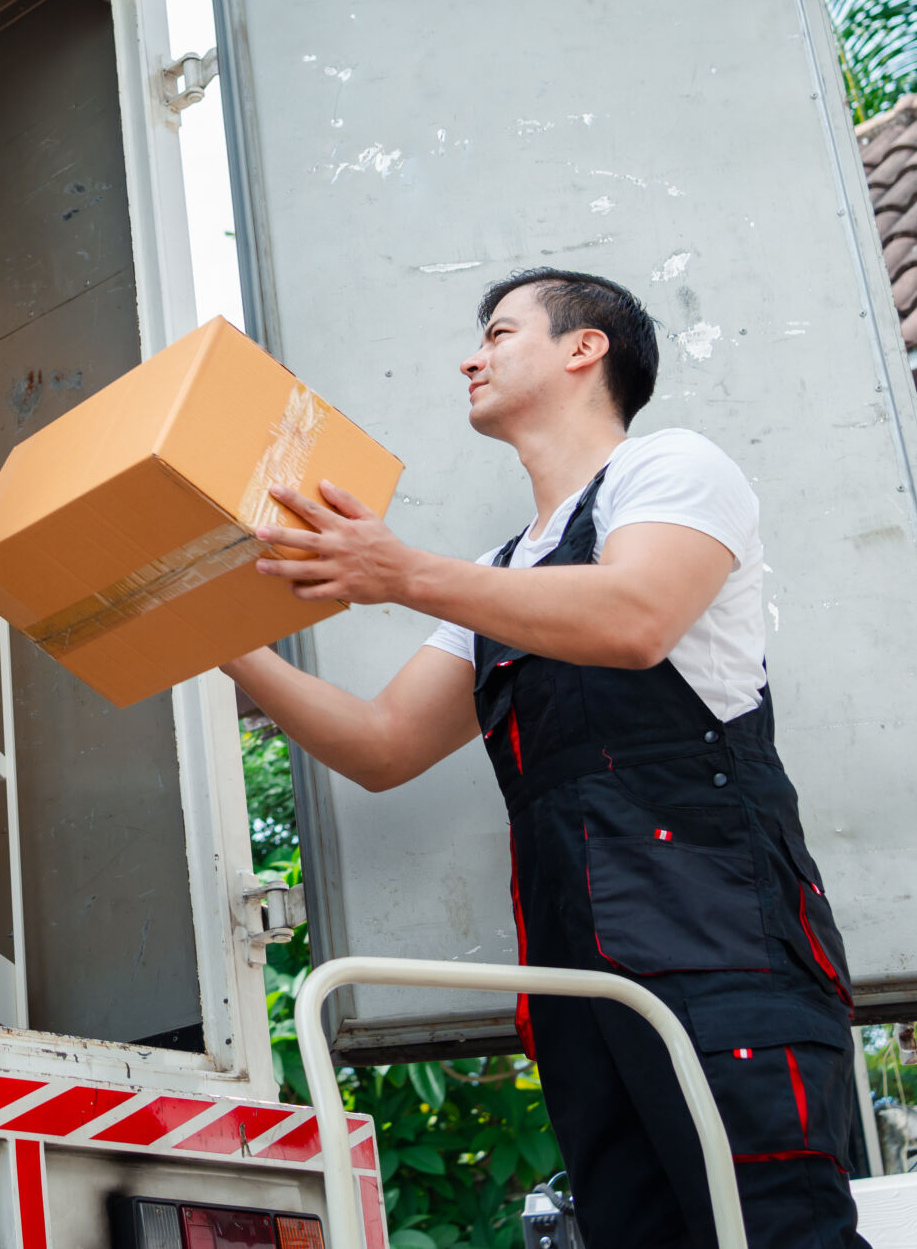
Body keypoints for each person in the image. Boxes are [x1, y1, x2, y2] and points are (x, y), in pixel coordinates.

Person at [225, 269, 866, 1249]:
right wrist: (218, 637)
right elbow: (381, 744)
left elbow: (638, 616)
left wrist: (403, 574)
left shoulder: (673, 470)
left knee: (773, 1236)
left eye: (497, 331)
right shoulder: (497, 577)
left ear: (584, 348)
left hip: (724, 959)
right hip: (581, 991)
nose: (468, 357)